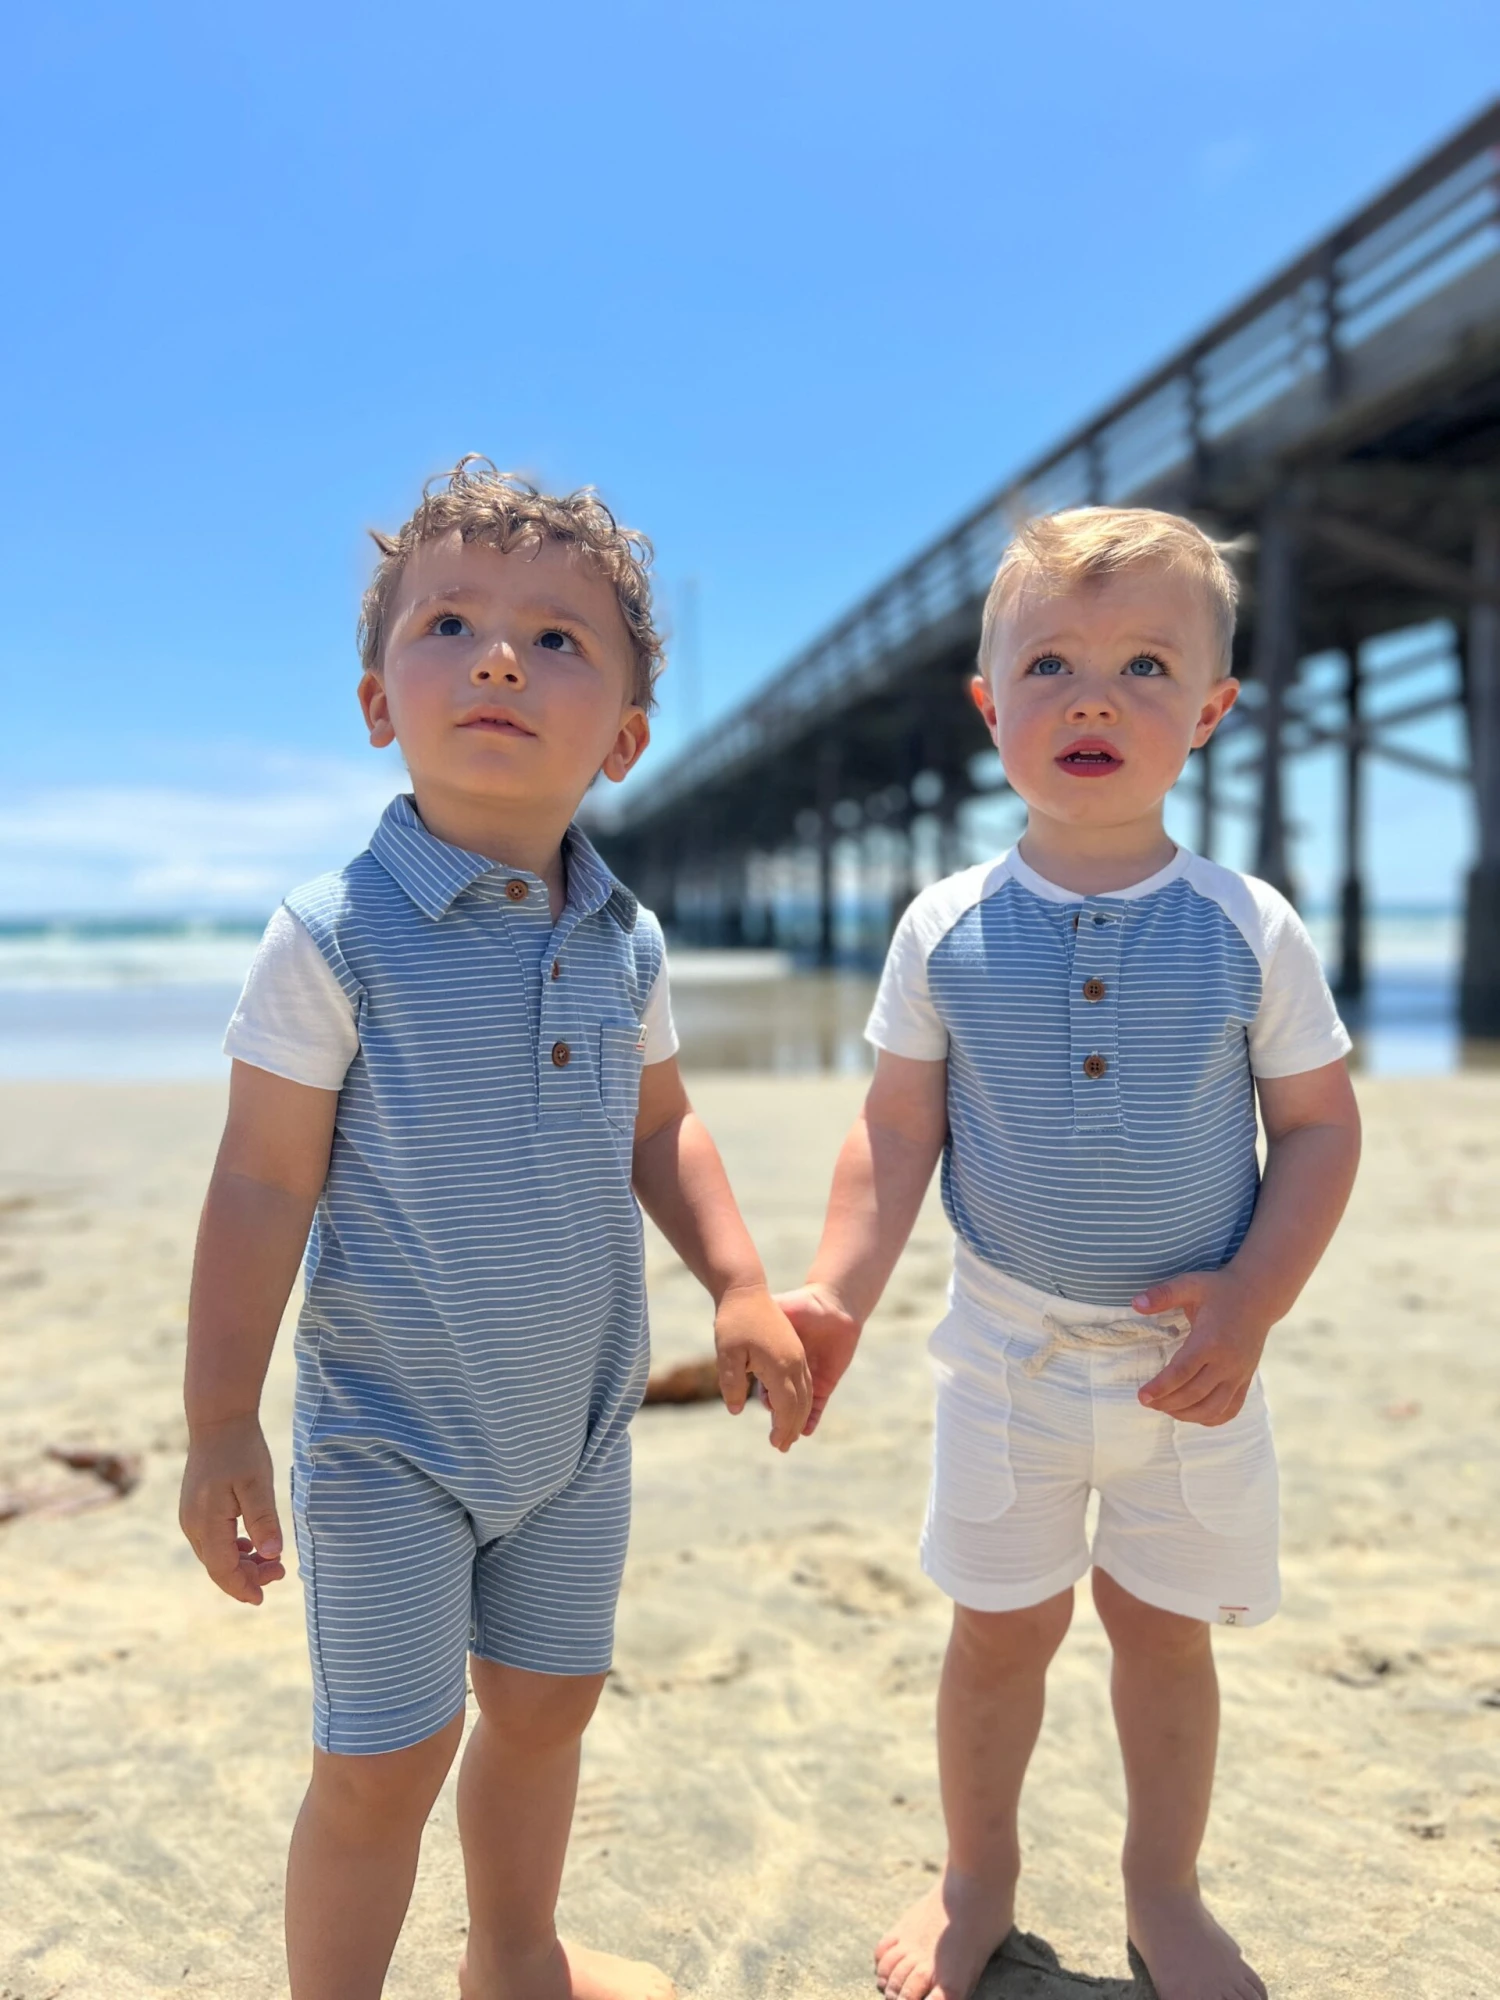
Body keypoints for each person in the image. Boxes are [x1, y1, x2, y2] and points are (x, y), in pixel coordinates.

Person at [178, 457, 812, 2000]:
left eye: (559, 638)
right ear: (378, 702)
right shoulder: (333, 938)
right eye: (449, 622)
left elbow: (662, 1127)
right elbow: (261, 1183)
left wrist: (735, 1279)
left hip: (579, 1428)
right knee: (385, 1758)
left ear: (626, 741)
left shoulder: (627, 937)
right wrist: (217, 1421)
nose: (502, 656)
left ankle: (514, 1956)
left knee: (547, 1707)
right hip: (389, 1437)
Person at [778, 508, 1361, 2000]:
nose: (1094, 697)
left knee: (1164, 1639)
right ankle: (977, 1879)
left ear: (1212, 713)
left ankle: (1163, 1891)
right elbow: (895, 1131)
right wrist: (838, 1287)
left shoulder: (1250, 927)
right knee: (1001, 1630)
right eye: (1051, 664)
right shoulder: (946, 926)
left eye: (1146, 665)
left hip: (1196, 1367)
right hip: (1006, 1358)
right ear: (992, 709)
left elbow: (1317, 1131)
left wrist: (1255, 1300)